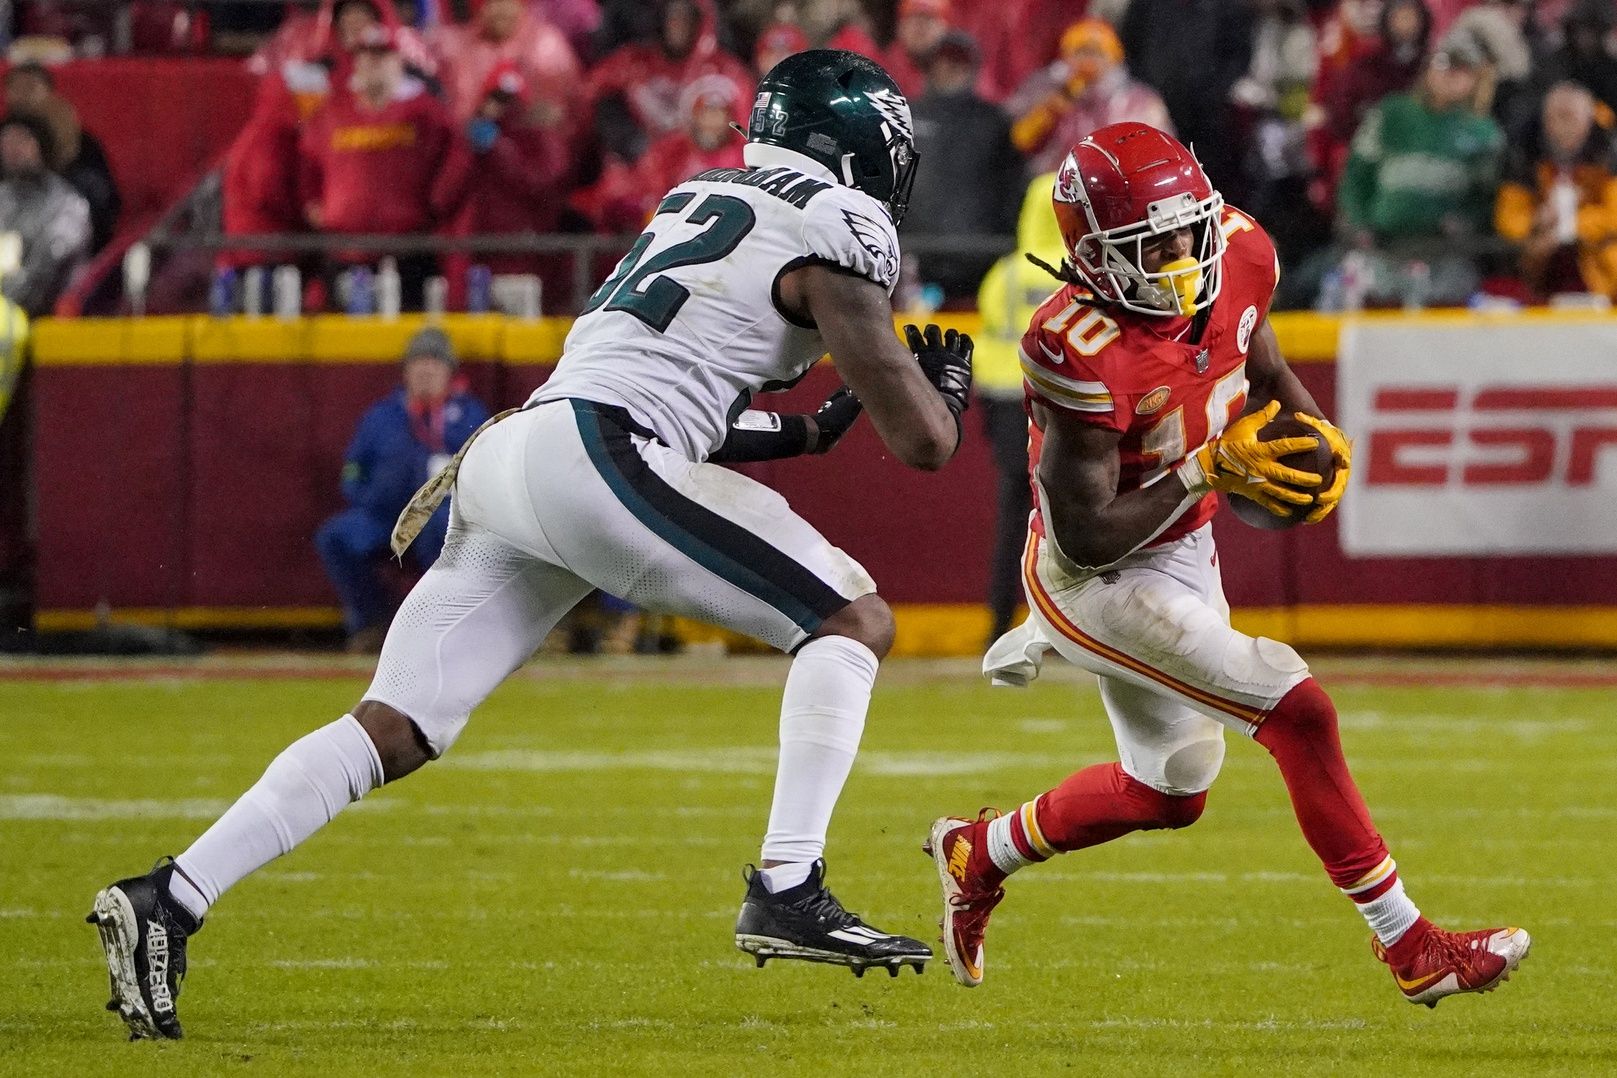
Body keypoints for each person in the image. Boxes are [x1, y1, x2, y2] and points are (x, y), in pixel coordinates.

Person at [90, 49, 970, 1040]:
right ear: (857, 146)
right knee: (850, 616)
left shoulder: (704, 189)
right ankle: (788, 882)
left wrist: (806, 431)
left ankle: (169, 896)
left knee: (397, 725)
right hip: (596, 454)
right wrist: (936, 395)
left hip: (517, 455)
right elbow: (924, 446)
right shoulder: (838, 222)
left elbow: (672, 393)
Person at [924, 122, 1530, 1009]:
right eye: (1149, 244)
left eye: (1184, 231)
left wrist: (1313, 437)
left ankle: (980, 852)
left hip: (1181, 539)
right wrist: (1202, 468)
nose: (1178, 255)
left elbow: (1264, 362)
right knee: (1296, 708)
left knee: (1170, 789)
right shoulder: (1073, 344)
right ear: (1093, 258)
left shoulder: (1240, 251)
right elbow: (1086, 534)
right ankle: (1411, 947)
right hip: (1090, 578)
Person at [315, 328, 490, 654]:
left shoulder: (469, 414)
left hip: (442, 517)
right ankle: (373, 622)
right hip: (385, 514)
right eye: (418, 363)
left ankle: (437, 627)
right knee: (337, 537)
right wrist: (367, 496)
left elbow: (486, 469)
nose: (426, 371)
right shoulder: (382, 416)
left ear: (449, 372)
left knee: (442, 532)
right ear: (405, 370)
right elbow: (353, 469)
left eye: (434, 363)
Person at [299, 25, 469, 308]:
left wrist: (437, 204)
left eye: (382, 56)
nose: (374, 64)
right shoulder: (331, 111)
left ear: (398, 61)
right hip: (346, 254)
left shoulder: (426, 113)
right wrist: (312, 203)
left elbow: (457, 160)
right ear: (355, 62)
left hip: (408, 254)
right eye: (366, 56)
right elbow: (307, 163)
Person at [1336, 38, 1504, 306]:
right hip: (1382, 246)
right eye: (1443, 65)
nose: (1450, 75)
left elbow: (1486, 198)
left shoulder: (1483, 133)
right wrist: (1359, 220)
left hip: (1444, 253)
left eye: (1462, 69)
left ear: (1475, 79)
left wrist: (1465, 222)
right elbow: (1357, 174)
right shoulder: (1392, 113)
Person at [972, 171, 1059, 645]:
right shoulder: (1081, 271)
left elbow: (988, 331)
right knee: (1067, 520)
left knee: (1014, 517)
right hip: (1060, 404)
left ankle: (999, 623)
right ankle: (1069, 627)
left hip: (1004, 401)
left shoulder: (1005, 272)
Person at [905, 29, 1023, 302]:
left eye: (959, 61)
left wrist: (1005, 242)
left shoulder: (993, 122)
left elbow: (1011, 187)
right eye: (943, 60)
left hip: (981, 261)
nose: (950, 68)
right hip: (913, 260)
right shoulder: (907, 116)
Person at [1495, 81, 1617, 299]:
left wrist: (1565, 225)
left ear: (1589, 118)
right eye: (1555, 117)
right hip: (1540, 259)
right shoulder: (1525, 150)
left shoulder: (1609, 149)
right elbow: (1508, 217)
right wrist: (1537, 222)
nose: (1562, 126)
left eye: (1570, 117)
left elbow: (1613, 215)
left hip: (1600, 264)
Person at [1006, 17, 1173, 175]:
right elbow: (1020, 141)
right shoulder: (1048, 89)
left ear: (1113, 57)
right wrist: (1048, 112)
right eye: (1080, 52)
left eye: (1095, 53)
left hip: (1116, 187)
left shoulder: (1138, 101)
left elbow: (1157, 154)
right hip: (1054, 185)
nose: (1088, 61)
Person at [1, 62, 120, 254]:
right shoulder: (3, 137)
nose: (22, 95)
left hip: (62, 236)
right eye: (14, 88)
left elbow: (103, 202)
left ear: (49, 92)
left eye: (30, 87)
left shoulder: (81, 142)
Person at [429, 0, 581, 127]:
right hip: (474, 148)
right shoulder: (456, 47)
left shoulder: (547, 46)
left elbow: (571, 112)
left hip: (537, 149)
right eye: (491, 2)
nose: (500, 9)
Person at [0, 113, 91, 317]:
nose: (13, 149)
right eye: (6, 141)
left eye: (22, 140)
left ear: (41, 146)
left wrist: (10, 300)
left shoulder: (66, 203)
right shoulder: (3, 199)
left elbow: (47, 270)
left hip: (49, 320)